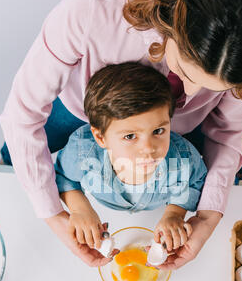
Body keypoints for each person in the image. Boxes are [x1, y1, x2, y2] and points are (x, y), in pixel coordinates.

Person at [0, 0, 242, 268]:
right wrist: (54, 214)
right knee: (13, 171)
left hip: (196, 130)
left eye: (212, 88)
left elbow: (227, 132)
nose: (188, 95)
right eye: (186, 73)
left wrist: (207, 217)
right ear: (172, 24)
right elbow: (23, 114)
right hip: (81, 110)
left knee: (238, 179)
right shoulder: (96, 6)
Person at [54, 62, 207, 261]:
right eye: (130, 136)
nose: (148, 149)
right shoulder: (83, 151)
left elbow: (197, 181)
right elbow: (63, 175)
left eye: (158, 131)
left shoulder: (183, 159)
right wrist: (80, 209)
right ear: (101, 138)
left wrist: (175, 214)